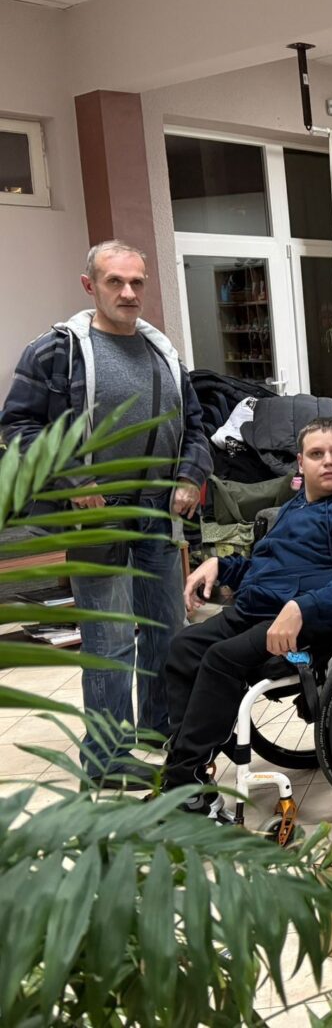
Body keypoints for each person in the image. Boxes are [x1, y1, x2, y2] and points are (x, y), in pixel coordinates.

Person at [1, 241, 212, 790]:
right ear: (89, 285)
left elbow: (195, 425)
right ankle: (107, 761)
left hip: (157, 514)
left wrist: (190, 475)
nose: (128, 292)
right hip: (96, 520)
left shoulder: (163, 352)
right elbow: (17, 428)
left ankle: (158, 732)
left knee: (167, 632)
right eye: (115, 281)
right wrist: (75, 477)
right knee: (112, 641)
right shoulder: (56, 352)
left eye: (137, 281)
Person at [164, 418, 332, 815]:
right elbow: (268, 568)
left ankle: (184, 783)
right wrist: (221, 566)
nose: (328, 461)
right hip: (261, 610)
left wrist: (303, 607)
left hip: (319, 625)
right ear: (300, 463)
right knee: (184, 647)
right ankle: (188, 768)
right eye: (317, 454)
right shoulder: (296, 506)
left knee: (221, 660)